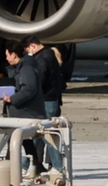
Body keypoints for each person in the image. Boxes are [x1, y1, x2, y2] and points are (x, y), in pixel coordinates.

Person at [22, 34, 66, 173]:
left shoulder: (42, 59)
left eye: (28, 50)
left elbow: (38, 80)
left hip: (46, 101)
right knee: (39, 135)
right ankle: (28, 163)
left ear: (33, 46)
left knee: (44, 134)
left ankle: (57, 166)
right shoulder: (49, 55)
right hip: (51, 99)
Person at [2, 41, 45, 175]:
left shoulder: (26, 69)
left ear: (14, 54)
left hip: (25, 113)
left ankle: (10, 168)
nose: (6, 58)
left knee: (14, 141)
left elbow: (29, 90)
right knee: (25, 142)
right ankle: (37, 165)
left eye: (7, 55)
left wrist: (12, 99)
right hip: (21, 112)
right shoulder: (21, 68)